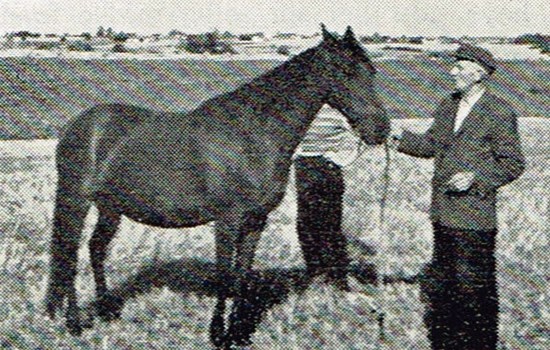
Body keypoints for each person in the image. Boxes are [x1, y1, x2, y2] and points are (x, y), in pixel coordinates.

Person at [390, 44, 525, 349]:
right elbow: (429, 146)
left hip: (474, 218)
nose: (453, 72)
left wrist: (476, 178)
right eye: (455, 66)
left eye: (460, 67)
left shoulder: (499, 111)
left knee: (474, 291)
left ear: (479, 74)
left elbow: (514, 163)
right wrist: (397, 138)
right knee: (445, 288)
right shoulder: (447, 105)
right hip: (442, 213)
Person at [294, 104, 365, 291]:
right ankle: (316, 272)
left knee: (330, 223)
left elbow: (361, 134)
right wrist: (297, 154)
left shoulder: (340, 108)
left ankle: (338, 275)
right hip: (303, 167)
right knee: (305, 222)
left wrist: (342, 158)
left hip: (329, 167)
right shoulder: (303, 105)